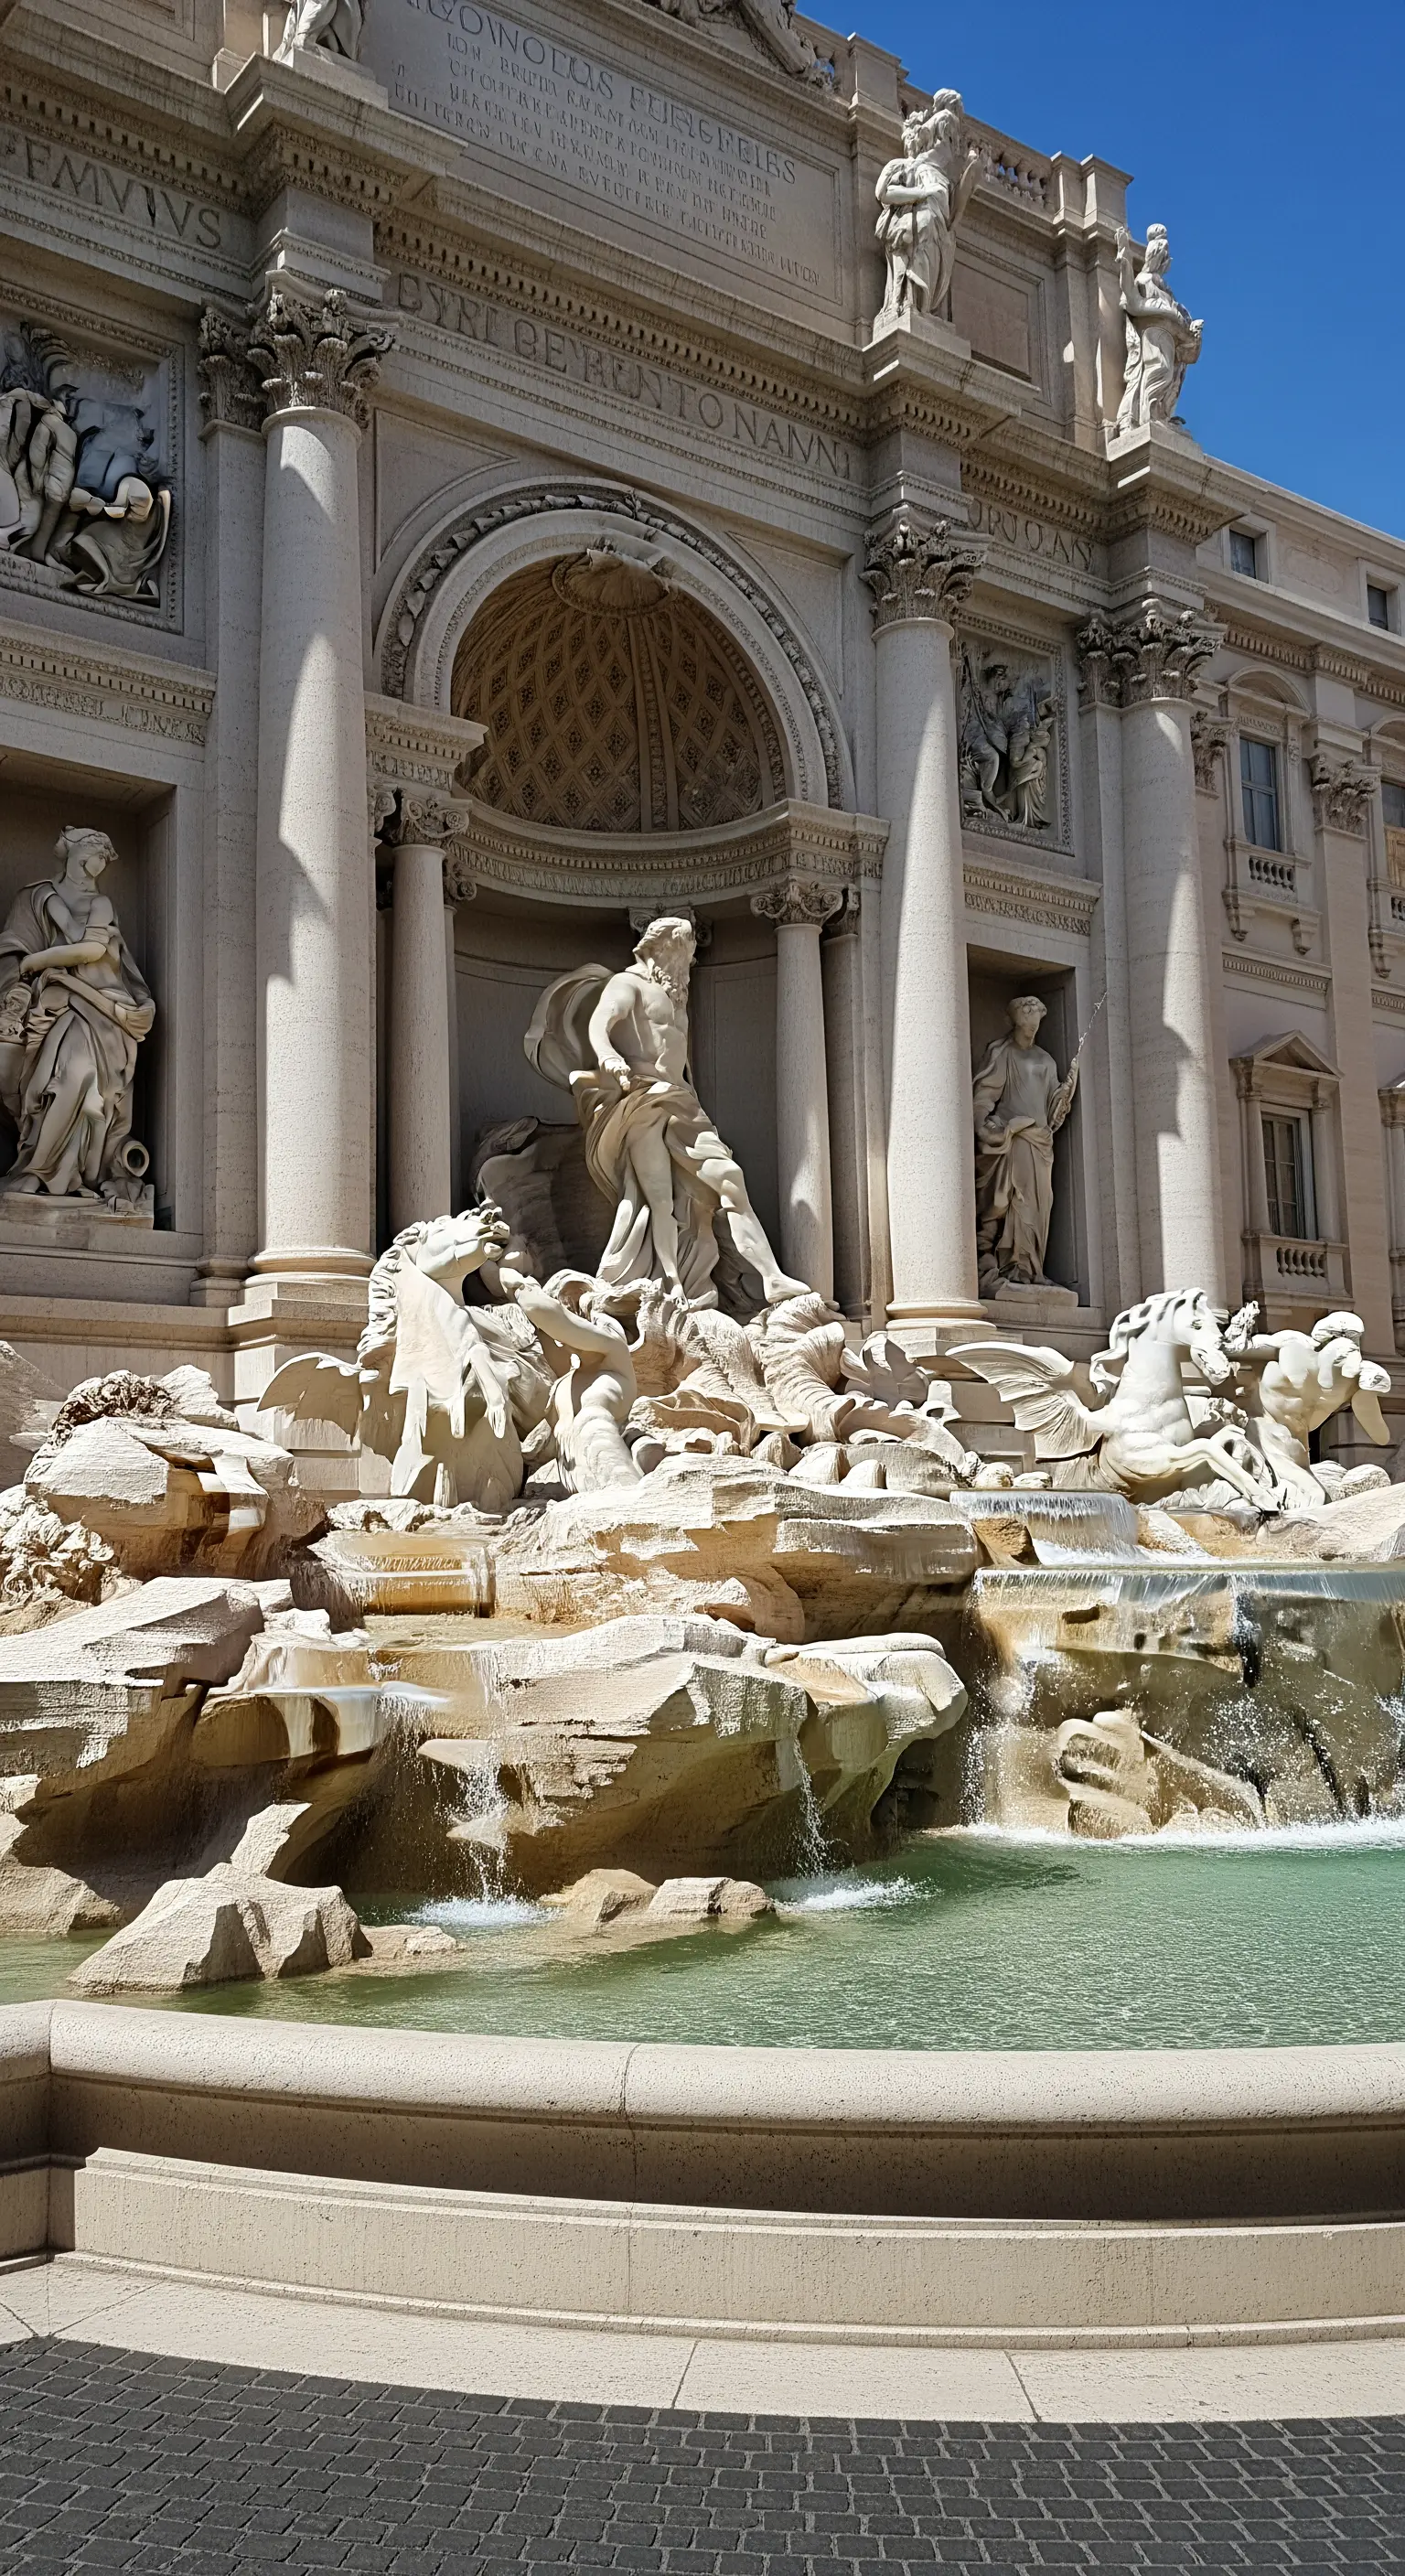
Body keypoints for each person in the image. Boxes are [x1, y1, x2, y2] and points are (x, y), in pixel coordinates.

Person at [525, 916, 808, 1309]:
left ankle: (772, 1278)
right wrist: (607, 1056)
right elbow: (600, 1023)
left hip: (681, 1100)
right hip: (640, 1097)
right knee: (658, 1199)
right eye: (686, 952)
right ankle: (671, 1283)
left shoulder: (675, 995)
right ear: (664, 947)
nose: (689, 962)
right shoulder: (627, 984)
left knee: (729, 1178)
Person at [0, 826, 154, 1202]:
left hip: (102, 1008)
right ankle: (40, 1169)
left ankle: (58, 1175)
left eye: (105, 855)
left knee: (85, 1084)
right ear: (75, 853)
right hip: (58, 1004)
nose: (101, 862)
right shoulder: (41, 897)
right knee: (56, 1082)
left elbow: (88, 950)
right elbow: (33, 943)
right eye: (97, 852)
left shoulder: (100, 905)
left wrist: (38, 961)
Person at [971, 995, 1077, 1293]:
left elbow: (1052, 1105)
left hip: (1041, 1142)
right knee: (1012, 1199)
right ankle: (1009, 1267)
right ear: (1015, 1020)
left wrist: (1063, 1097)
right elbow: (984, 1097)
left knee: (1038, 1204)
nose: (1032, 1025)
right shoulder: (1002, 1053)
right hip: (1013, 1139)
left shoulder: (1046, 1060)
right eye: (1026, 1017)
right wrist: (985, 1127)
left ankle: (1031, 1269)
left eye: (1036, 1019)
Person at [874, 90, 981, 327]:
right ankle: (908, 304)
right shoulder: (905, 166)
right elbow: (882, 192)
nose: (952, 146)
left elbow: (955, 214)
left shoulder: (942, 177)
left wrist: (970, 176)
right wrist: (921, 193)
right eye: (948, 139)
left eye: (953, 140)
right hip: (916, 227)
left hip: (937, 233)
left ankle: (920, 308)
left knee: (930, 257)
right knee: (917, 255)